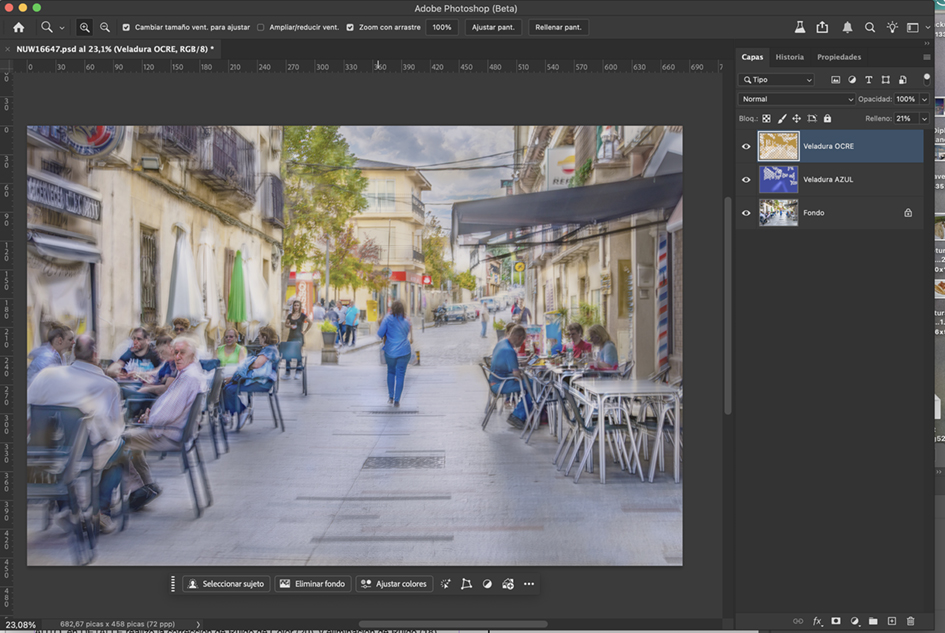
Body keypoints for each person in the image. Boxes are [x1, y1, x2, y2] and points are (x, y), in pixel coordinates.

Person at [28, 335, 125, 534]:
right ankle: (100, 511)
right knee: (121, 449)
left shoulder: (46, 375)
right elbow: (114, 430)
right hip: (83, 456)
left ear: (73, 353)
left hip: (41, 456)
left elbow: (28, 412)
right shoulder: (107, 385)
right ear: (96, 355)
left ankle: (68, 507)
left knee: (64, 455)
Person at [122, 337, 208, 510]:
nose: (177, 356)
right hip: (175, 431)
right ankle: (146, 487)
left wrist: (149, 419)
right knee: (129, 439)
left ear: (192, 355)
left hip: (169, 434)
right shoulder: (190, 372)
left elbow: (168, 414)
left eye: (182, 352)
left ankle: (137, 488)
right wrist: (151, 416)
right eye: (175, 352)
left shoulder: (188, 378)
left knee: (118, 442)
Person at [221, 326, 280, 428]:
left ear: (265, 337)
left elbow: (257, 364)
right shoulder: (271, 349)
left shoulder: (269, 349)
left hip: (262, 383)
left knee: (228, 389)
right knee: (227, 387)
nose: (259, 339)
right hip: (262, 381)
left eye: (260, 336)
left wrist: (247, 365)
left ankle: (242, 411)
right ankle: (236, 412)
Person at [490, 325, 532, 429]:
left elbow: (506, 363)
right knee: (534, 385)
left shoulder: (501, 343)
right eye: (523, 340)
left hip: (495, 381)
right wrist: (525, 376)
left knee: (531, 384)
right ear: (520, 338)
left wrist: (522, 363)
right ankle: (518, 416)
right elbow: (516, 375)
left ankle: (523, 413)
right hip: (501, 384)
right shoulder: (510, 351)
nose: (522, 343)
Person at [377, 299, 412, 407]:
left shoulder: (387, 319)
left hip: (390, 351)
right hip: (404, 351)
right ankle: (397, 400)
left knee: (391, 372)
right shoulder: (407, 320)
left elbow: (380, 333)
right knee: (400, 375)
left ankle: (391, 397)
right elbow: (407, 332)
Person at [27, 323, 75, 389]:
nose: (73, 342)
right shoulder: (47, 359)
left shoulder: (60, 356)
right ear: (60, 340)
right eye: (70, 339)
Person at [284, 300, 311, 378]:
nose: (296, 307)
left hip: (299, 337)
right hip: (291, 336)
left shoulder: (302, 315)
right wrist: (290, 326)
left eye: (297, 305)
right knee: (287, 354)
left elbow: (310, 322)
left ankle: (298, 371)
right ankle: (287, 372)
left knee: (298, 353)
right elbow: (286, 324)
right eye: (295, 305)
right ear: (293, 306)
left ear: (300, 306)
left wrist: (305, 331)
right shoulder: (290, 315)